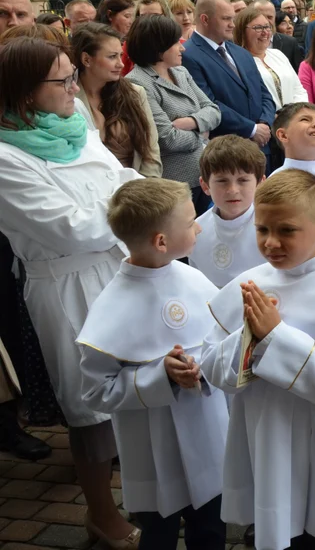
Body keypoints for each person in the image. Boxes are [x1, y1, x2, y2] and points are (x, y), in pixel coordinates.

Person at [0, 37, 143, 548]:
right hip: (67, 285)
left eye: (68, 77)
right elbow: (67, 229)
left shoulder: (76, 125)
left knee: (140, 389)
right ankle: (102, 515)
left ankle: (150, 494)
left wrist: (119, 204)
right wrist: (124, 209)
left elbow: (124, 178)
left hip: (122, 268)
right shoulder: (4, 156)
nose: (70, 88)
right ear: (22, 94)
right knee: (92, 412)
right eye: (59, 81)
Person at [201, 169, 315, 550]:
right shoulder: (249, 284)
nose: (271, 243)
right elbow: (214, 369)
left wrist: (275, 337)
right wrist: (248, 337)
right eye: (262, 229)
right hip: (264, 438)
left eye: (286, 230)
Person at [77, 177, 228, 550]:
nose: (198, 226)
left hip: (206, 435)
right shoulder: (112, 306)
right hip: (152, 452)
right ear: (162, 241)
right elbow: (97, 390)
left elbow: (221, 339)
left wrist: (201, 366)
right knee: (158, 536)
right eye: (191, 221)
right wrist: (160, 375)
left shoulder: (192, 279)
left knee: (210, 529)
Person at [126, 15, 222, 211]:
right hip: (175, 184)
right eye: (175, 43)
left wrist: (191, 122)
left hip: (203, 175)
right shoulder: (136, 82)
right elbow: (166, 138)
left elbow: (214, 110)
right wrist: (202, 133)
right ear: (157, 47)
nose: (183, 48)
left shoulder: (181, 72)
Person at [182, 0, 276, 168]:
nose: (233, 24)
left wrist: (264, 124)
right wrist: (252, 129)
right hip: (227, 153)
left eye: (233, 18)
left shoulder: (241, 53)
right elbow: (209, 103)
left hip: (262, 147)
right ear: (205, 19)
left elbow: (264, 94)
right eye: (226, 19)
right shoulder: (188, 55)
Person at [71, 22, 163, 176]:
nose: (120, 64)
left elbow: (150, 151)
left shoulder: (135, 93)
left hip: (137, 188)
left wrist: (146, 191)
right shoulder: (68, 100)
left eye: (120, 55)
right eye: (112, 57)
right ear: (86, 59)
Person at [189, 135, 266, 288]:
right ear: (205, 186)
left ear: (260, 183)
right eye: (222, 181)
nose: (232, 190)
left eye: (243, 180)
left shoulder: (274, 227)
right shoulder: (196, 231)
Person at [235, 7, 308, 111]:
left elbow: (298, 89)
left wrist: (296, 113)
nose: (265, 32)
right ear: (242, 31)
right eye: (258, 28)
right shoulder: (237, 62)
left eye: (267, 26)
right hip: (266, 123)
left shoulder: (278, 54)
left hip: (293, 119)